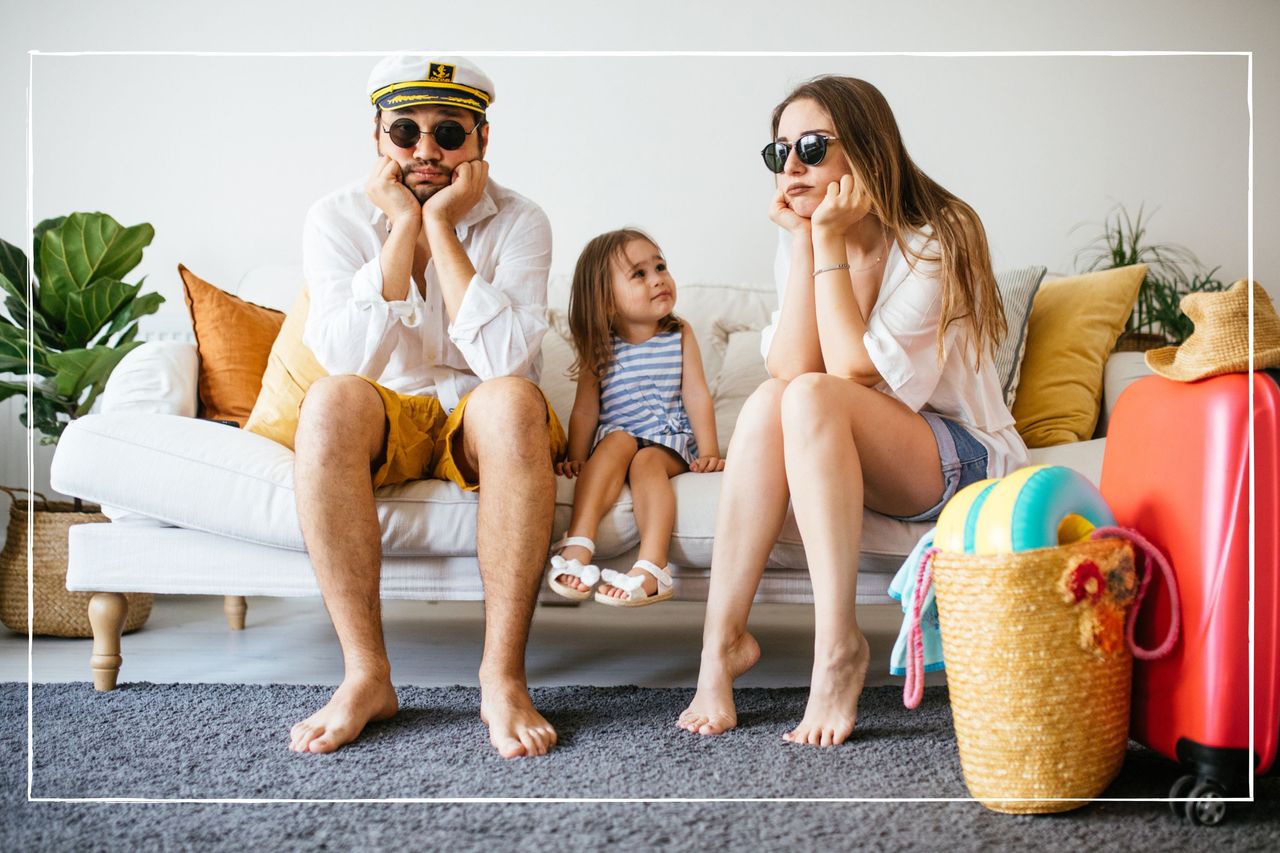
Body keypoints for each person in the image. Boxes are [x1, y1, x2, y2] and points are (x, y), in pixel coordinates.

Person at [677, 76, 1028, 746]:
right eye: (777, 152)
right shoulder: (805, 236)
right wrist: (808, 242)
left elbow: (851, 372)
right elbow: (788, 367)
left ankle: (838, 648)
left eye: (811, 146)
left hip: (963, 456)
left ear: (866, 151)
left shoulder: (938, 236)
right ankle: (719, 646)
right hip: (865, 441)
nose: (791, 167)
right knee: (769, 399)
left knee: (810, 393)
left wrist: (829, 241)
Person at [286, 55, 564, 758]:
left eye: (448, 132)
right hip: (392, 411)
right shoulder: (335, 217)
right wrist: (400, 227)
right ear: (378, 139)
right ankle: (366, 675)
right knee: (328, 402)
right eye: (405, 132)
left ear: (482, 139)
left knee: (509, 400)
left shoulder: (522, 220)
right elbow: (349, 365)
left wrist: (443, 227)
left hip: (483, 415)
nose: (425, 151)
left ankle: (502, 677)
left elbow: (505, 364)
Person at [547, 229, 725, 607]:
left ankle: (651, 567)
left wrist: (708, 448)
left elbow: (696, 394)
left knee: (646, 460)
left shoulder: (678, 333)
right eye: (639, 274)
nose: (658, 278)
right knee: (617, 442)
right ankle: (579, 542)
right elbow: (586, 409)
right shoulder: (599, 344)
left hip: (668, 440)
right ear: (606, 300)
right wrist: (576, 456)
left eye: (660, 266)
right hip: (618, 435)